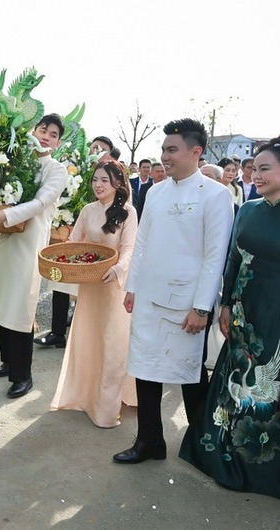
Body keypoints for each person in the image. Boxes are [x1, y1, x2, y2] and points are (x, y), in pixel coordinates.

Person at [180, 133, 280, 503]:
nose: (256, 175)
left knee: (275, 386)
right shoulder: (249, 209)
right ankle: (223, 451)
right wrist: (227, 303)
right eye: (254, 168)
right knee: (234, 380)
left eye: (265, 169)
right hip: (245, 314)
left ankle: (267, 465)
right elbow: (233, 258)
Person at [113, 118, 234, 464]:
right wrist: (132, 286)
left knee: (190, 373)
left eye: (172, 149)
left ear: (196, 152)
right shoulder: (156, 191)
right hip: (148, 296)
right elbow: (143, 243)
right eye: (163, 149)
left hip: (186, 304)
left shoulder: (215, 195)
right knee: (145, 369)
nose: (164, 156)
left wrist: (201, 307)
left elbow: (215, 256)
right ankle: (149, 442)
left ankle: (203, 445)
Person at [0, 114, 67, 398]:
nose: (46, 136)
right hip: (5, 238)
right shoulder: (18, 162)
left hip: (29, 244)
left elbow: (40, 202)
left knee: (19, 307)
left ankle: (23, 375)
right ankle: (7, 360)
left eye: (53, 134)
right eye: (43, 130)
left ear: (57, 142)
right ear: (33, 130)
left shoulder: (56, 169)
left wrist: (4, 214)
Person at [50, 160, 138, 427]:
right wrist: (60, 252)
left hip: (112, 290)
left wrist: (120, 268)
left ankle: (106, 410)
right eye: (95, 180)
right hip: (89, 288)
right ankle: (83, 397)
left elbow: (129, 248)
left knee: (112, 346)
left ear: (118, 184)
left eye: (105, 180)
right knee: (88, 342)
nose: (98, 185)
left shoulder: (128, 212)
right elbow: (75, 242)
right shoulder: (88, 210)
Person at [35, 137, 118, 349]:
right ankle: (57, 331)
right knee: (60, 282)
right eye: (95, 147)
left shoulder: (116, 194)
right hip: (74, 237)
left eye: (103, 150)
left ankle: (83, 331)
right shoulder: (75, 170)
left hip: (103, 253)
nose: (98, 151)